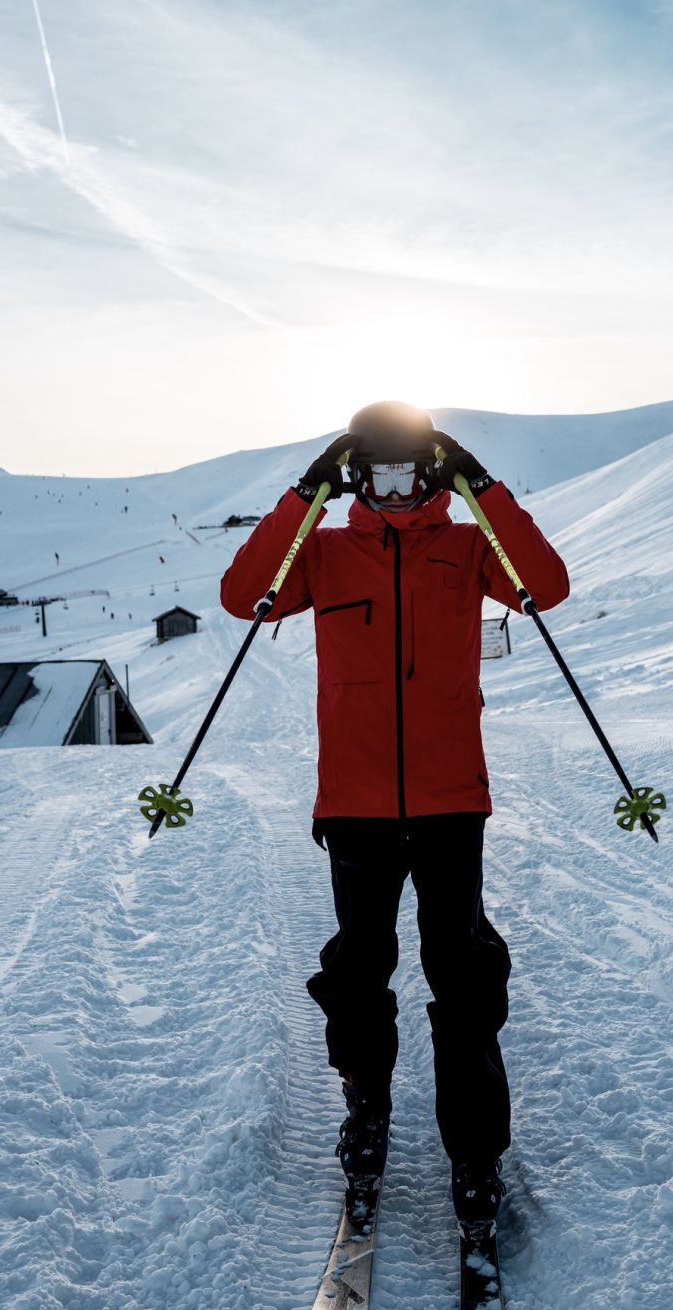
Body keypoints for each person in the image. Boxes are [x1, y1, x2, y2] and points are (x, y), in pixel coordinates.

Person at [220, 402, 569, 1223]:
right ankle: (365, 1109)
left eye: (412, 475)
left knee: (465, 975)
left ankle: (476, 1152)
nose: (396, 494)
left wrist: (482, 486)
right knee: (358, 969)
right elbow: (244, 597)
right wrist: (305, 494)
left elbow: (544, 587)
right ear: (354, 480)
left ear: (434, 476)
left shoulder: (466, 549)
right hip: (357, 807)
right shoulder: (329, 556)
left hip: (453, 804)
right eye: (375, 477)